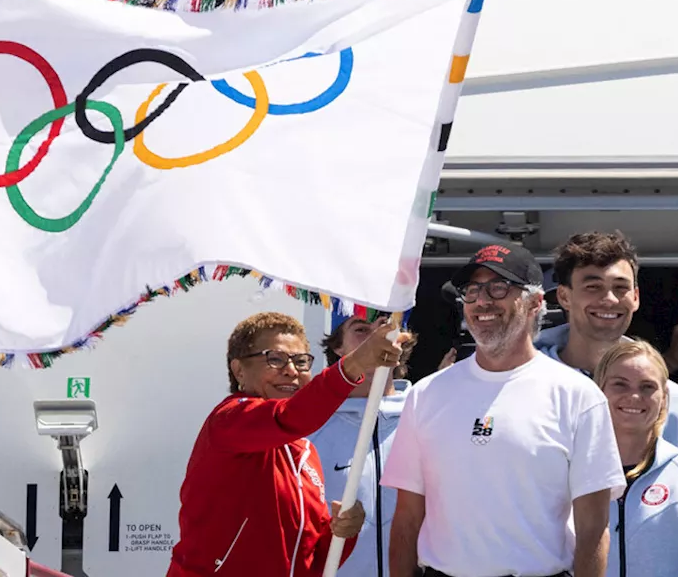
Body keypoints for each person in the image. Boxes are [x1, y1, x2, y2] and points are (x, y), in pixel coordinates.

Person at [382, 243, 626, 577]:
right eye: (472, 290)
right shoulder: (426, 394)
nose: (482, 301)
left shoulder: (578, 396)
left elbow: (593, 529)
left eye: (498, 288)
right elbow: (407, 519)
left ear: (535, 303)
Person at [167, 311, 408, 577]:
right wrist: (354, 365)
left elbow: (311, 563)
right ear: (239, 370)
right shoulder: (228, 420)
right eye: (275, 359)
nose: (292, 371)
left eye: (301, 362)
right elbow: (290, 417)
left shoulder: (306, 453)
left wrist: (342, 532)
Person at [535, 230, 678, 460]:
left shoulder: (666, 396)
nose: (610, 299)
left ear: (635, 297)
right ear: (564, 297)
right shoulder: (523, 386)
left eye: (620, 287)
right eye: (593, 287)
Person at [595, 338, 678, 577]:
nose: (634, 396)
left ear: (665, 399)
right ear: (598, 391)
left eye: (647, 387)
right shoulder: (570, 476)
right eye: (620, 385)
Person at [307, 314, 418, 577]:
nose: (376, 337)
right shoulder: (311, 424)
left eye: (384, 326)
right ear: (338, 346)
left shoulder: (425, 413)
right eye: (360, 329)